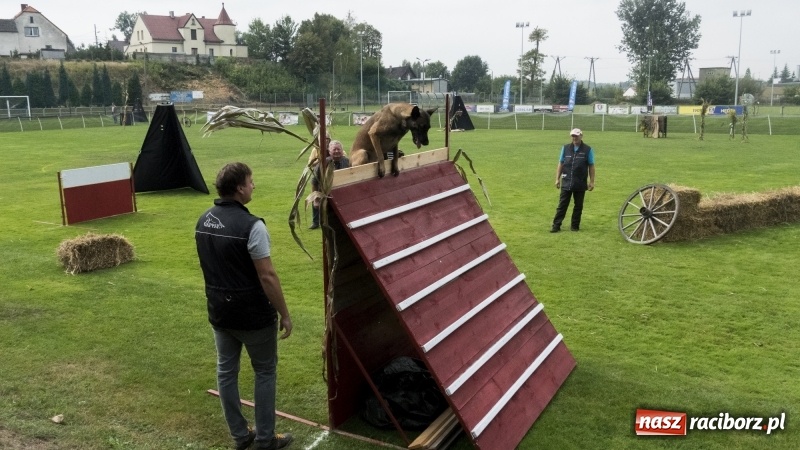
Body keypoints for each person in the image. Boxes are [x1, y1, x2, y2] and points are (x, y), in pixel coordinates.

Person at [195, 162, 294, 450]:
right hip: (252, 316)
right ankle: (265, 439)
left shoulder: (203, 219)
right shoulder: (253, 226)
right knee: (265, 371)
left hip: (219, 312)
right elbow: (268, 276)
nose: (253, 186)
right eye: (251, 182)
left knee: (226, 372)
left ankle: (240, 436)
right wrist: (285, 314)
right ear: (239, 188)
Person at [550, 128, 595, 232]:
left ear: (581, 136)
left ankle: (575, 226)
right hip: (567, 181)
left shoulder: (588, 149)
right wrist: (557, 179)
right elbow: (561, 163)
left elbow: (591, 166)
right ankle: (556, 226)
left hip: (580, 182)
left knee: (578, 206)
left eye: (576, 136)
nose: (574, 138)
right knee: (562, 205)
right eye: (573, 136)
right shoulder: (565, 148)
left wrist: (592, 181)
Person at [309, 139, 350, 229]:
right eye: (334, 149)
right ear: (329, 151)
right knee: (329, 223)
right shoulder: (323, 164)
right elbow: (314, 182)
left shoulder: (348, 162)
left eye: (338, 149)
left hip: (343, 197)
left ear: (342, 151)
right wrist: (316, 200)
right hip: (327, 198)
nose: (337, 151)